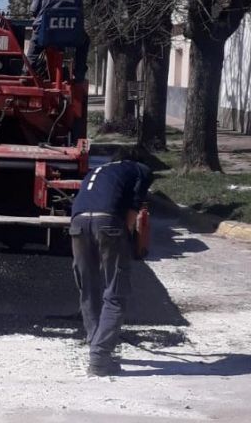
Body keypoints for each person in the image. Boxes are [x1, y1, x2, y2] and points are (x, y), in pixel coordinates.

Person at [69, 145, 153, 376]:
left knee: (88, 288)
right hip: (108, 222)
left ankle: (96, 343)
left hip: (78, 222)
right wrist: (128, 240)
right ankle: (99, 358)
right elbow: (133, 209)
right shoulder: (139, 169)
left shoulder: (97, 171)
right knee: (115, 293)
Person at [27, 0, 89, 81]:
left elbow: (33, 11)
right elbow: (80, 13)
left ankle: (27, 72)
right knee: (85, 41)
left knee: (34, 47)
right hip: (70, 35)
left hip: (45, 34)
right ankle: (79, 74)